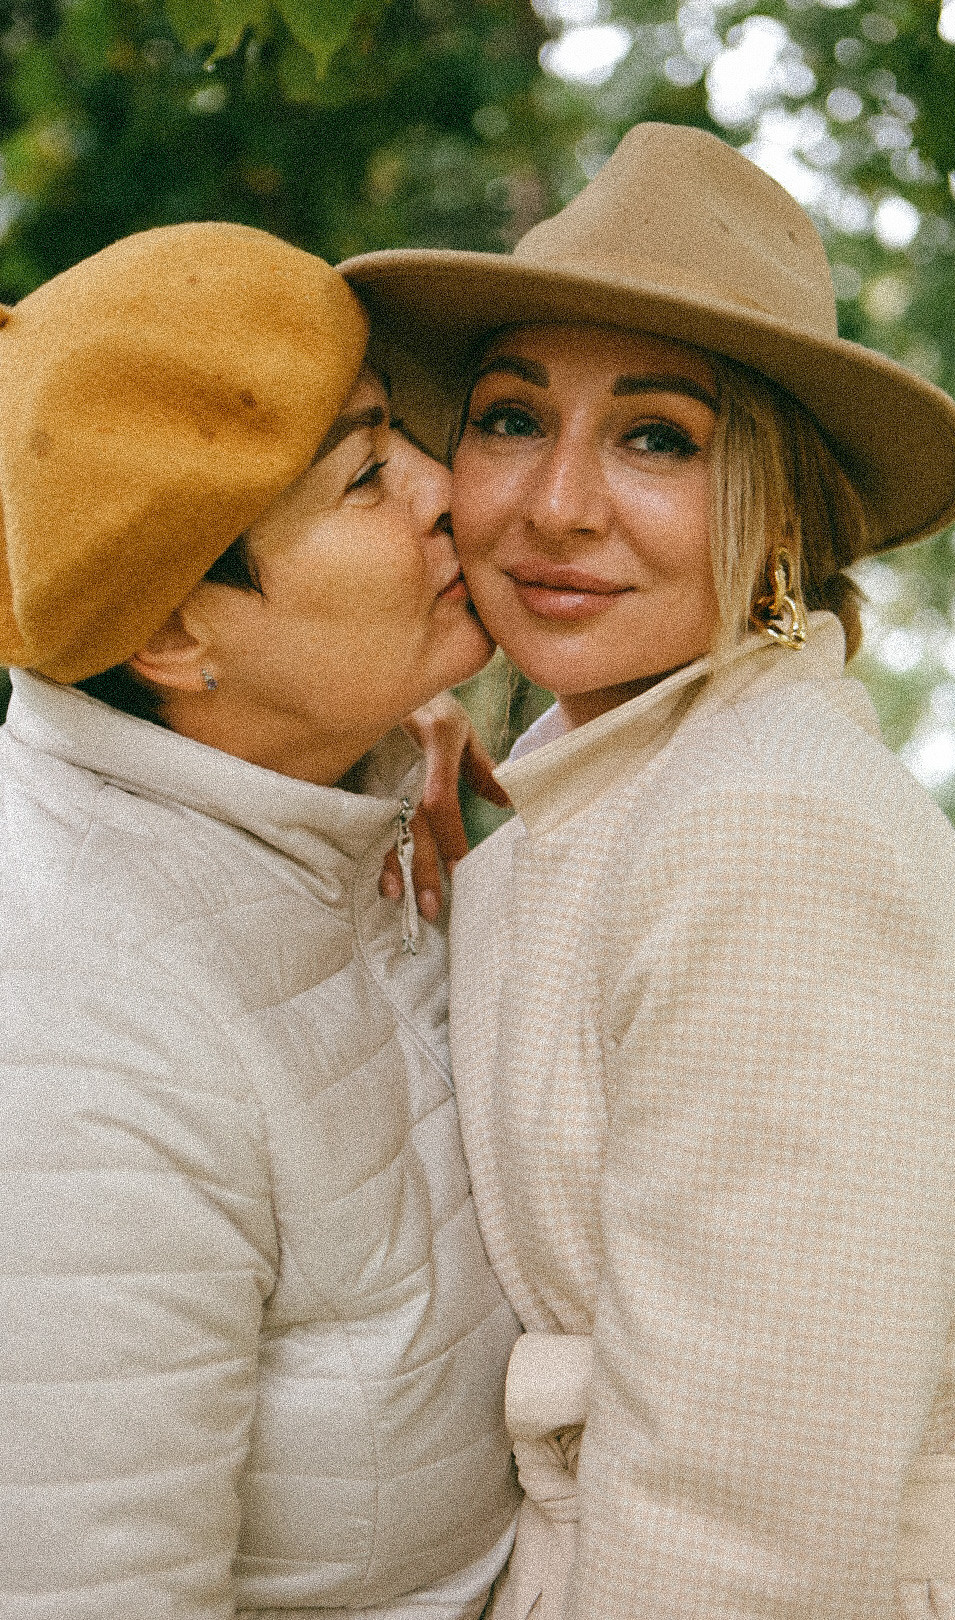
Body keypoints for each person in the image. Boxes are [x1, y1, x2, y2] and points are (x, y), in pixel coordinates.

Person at [340, 122, 955, 1618]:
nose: (556, 504)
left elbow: (745, 1535)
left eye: (658, 437)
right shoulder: (586, 802)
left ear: (783, 514)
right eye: (510, 418)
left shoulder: (773, 836)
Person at [0, 222, 521, 1619]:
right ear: (175, 637)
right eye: (365, 475)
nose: (443, 487)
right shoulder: (72, 1036)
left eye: (398, 432)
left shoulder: (326, 799)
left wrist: (386, 737)